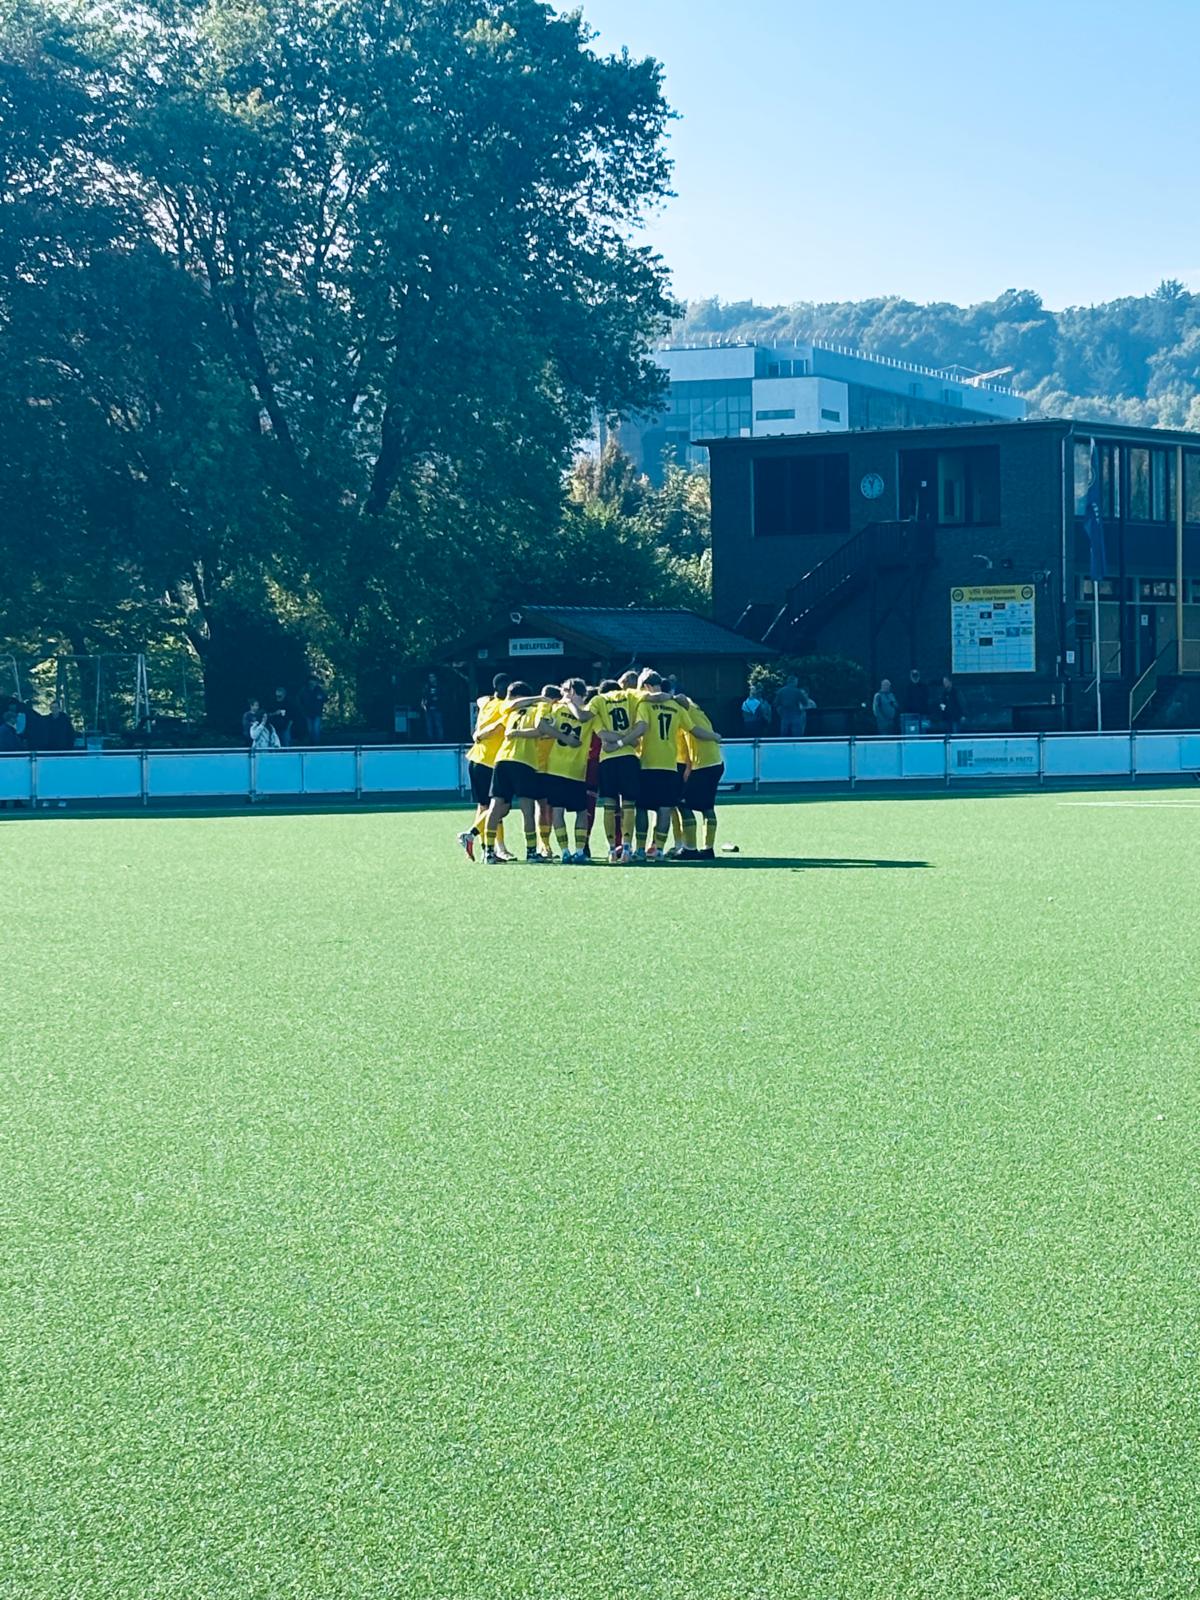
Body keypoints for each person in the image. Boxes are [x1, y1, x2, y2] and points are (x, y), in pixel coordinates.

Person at [634, 671, 721, 861]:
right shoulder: (683, 704)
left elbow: (689, 736)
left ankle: (683, 848)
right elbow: (692, 730)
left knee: (673, 804)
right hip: (708, 760)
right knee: (690, 806)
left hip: (679, 762)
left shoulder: (647, 703)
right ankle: (699, 848)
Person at [481, 682, 556, 863]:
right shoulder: (540, 707)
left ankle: (488, 852)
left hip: (502, 759)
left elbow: (507, 713)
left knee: (495, 805)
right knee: (527, 809)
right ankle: (531, 852)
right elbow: (540, 730)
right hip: (524, 761)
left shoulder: (511, 710)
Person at [457, 673, 528, 862]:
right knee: (499, 806)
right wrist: (480, 734)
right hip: (491, 760)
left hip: (476, 758)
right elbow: (497, 727)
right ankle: (496, 846)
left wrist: (477, 734)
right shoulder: (505, 706)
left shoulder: (487, 702)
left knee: (485, 806)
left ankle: (484, 847)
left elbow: (480, 700)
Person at [589, 675, 643, 863]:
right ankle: (627, 848)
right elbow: (639, 728)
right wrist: (625, 740)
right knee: (629, 805)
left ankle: (612, 850)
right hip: (629, 757)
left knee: (609, 806)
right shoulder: (630, 697)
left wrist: (614, 742)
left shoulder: (598, 702)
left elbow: (602, 733)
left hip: (607, 760)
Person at [544, 679, 597, 863]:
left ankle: (566, 851)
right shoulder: (591, 713)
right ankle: (578, 851)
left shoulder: (558, 708)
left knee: (559, 811)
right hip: (574, 769)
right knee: (580, 811)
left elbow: (544, 728)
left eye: (566, 691)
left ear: (573, 692)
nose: (563, 694)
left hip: (558, 767)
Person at [671, 689, 725, 860]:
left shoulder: (686, 713)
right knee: (707, 807)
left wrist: (714, 736)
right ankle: (708, 848)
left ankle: (690, 848)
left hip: (703, 765)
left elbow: (695, 733)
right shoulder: (697, 711)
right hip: (715, 762)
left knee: (683, 804)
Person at [297, 676, 327, 744]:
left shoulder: (319, 690)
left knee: (316, 729)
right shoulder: (304, 690)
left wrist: (321, 698)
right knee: (310, 730)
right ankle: (311, 744)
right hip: (308, 713)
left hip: (317, 713)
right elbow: (300, 700)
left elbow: (325, 698)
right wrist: (303, 709)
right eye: (311, 681)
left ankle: (316, 745)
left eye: (314, 681)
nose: (312, 683)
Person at [901, 668, 928, 736]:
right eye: (913, 676)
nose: (915, 678)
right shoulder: (907, 687)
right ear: (911, 677)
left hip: (923, 713)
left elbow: (926, 699)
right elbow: (905, 700)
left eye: (916, 676)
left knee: (923, 731)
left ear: (919, 676)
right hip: (911, 714)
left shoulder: (924, 687)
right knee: (912, 732)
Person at [421, 674, 444, 742]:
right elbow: (424, 696)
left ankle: (440, 741)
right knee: (429, 726)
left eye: (432, 677)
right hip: (428, 709)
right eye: (430, 677)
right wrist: (423, 704)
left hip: (437, 708)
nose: (431, 678)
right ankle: (430, 741)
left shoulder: (439, 687)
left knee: (438, 725)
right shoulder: (427, 687)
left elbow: (443, 697)